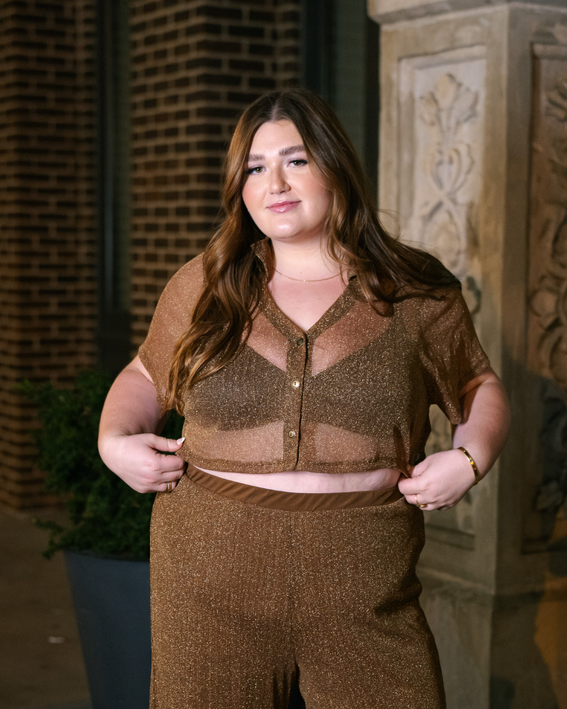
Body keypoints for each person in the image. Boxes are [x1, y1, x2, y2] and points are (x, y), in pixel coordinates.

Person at [98, 87, 510, 709]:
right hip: (209, 567)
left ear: (334, 164)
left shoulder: (413, 291)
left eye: (296, 160)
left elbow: (477, 383)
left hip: (364, 574)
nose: (275, 184)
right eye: (254, 168)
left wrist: (471, 458)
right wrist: (114, 441)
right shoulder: (207, 283)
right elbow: (144, 375)